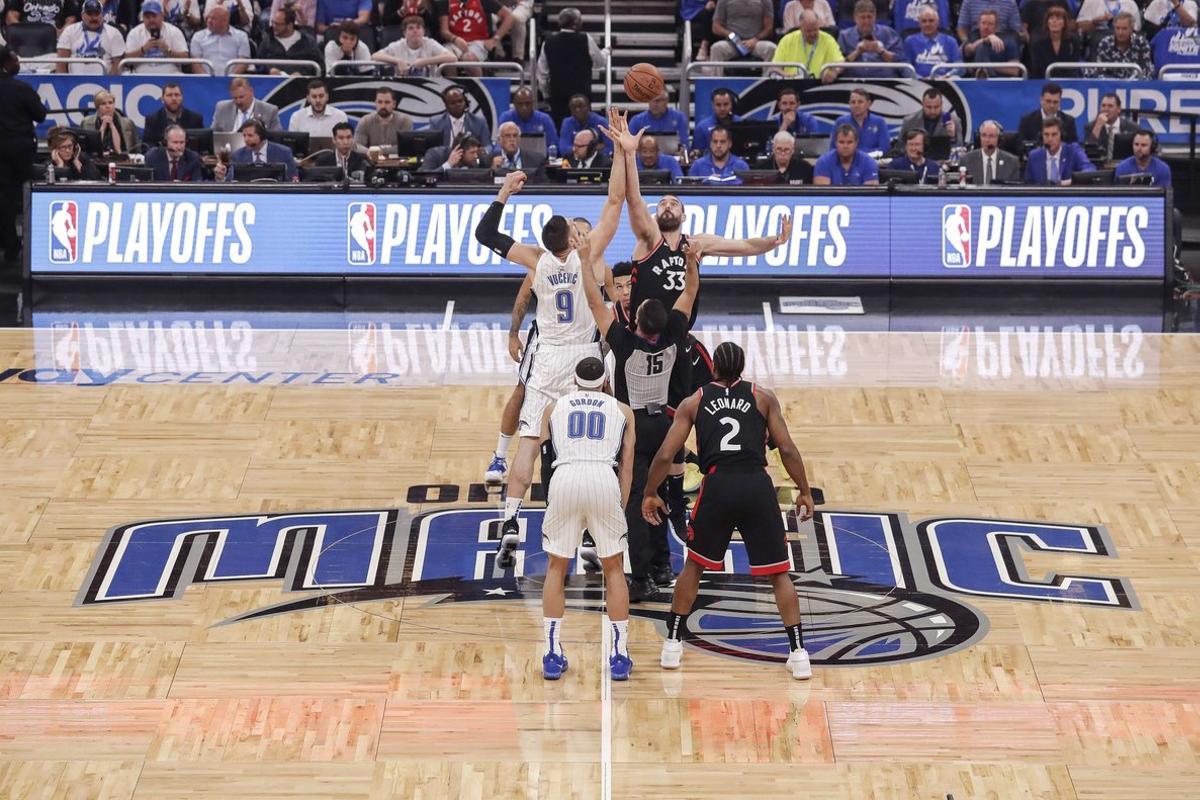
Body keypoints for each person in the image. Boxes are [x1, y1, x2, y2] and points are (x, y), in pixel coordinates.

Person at [610, 110, 791, 595]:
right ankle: (644, 508)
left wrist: (772, 242)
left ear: (684, 214)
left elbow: (741, 247)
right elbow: (630, 198)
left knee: (685, 421)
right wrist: (628, 155)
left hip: (680, 344)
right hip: (642, 346)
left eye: (674, 199)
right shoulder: (647, 238)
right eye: (662, 197)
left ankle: (685, 482)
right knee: (641, 434)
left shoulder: (697, 244)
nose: (666, 202)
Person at [473, 149, 624, 570]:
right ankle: (592, 537)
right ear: (573, 241)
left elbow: (486, 235)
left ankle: (510, 523)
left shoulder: (535, 260)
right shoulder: (588, 257)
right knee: (593, 448)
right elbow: (614, 203)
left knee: (531, 442)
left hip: (547, 359)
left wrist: (504, 191)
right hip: (584, 361)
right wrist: (621, 156)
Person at [642, 340, 816, 680]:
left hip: (718, 486)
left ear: (714, 368)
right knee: (779, 573)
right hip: (755, 485)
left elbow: (665, 455)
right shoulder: (763, 397)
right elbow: (788, 449)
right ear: (742, 367)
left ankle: (673, 645)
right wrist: (805, 490)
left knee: (693, 567)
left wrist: (650, 492)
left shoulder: (695, 401)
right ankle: (798, 654)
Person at [578, 206, 700, 606]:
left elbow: (596, 306)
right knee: (661, 492)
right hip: (666, 424)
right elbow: (688, 295)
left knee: (634, 501)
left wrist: (583, 260)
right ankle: (665, 565)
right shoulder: (672, 336)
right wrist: (691, 266)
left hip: (632, 427)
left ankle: (644, 573)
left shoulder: (625, 342)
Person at [536, 356, 636, 681]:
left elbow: (545, 459)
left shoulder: (553, 408)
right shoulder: (623, 411)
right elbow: (627, 464)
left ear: (574, 380)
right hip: (603, 477)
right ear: (605, 380)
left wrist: (552, 498)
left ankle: (552, 654)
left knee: (556, 567)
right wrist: (619, 504)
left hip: (564, 476)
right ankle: (619, 655)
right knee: (614, 568)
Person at [0, 46, 46, 271]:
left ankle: (9, 248)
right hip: (20, 151)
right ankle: (33, 246)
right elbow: (40, 114)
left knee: (4, 200)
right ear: (7, 62)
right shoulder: (21, 88)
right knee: (28, 196)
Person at [536, 8, 603, 124]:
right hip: (582, 95)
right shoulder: (585, 38)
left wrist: (546, 93)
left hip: (558, 95)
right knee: (583, 131)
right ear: (576, 23)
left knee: (560, 129)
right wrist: (606, 52)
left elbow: (542, 73)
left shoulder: (549, 41)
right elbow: (599, 62)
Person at [436, 0, 513, 76]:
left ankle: (479, 86)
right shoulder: (445, 2)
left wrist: (495, 39)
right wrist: (455, 39)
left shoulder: (483, 1)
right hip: (454, 41)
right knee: (447, 58)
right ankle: (452, 86)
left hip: (478, 42)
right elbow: (444, 31)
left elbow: (509, 16)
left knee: (469, 59)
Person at [834, 0, 904, 78]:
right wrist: (857, 52)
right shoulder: (844, 36)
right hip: (854, 83)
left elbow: (901, 63)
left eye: (869, 17)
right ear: (855, 18)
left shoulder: (889, 33)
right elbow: (838, 67)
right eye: (862, 17)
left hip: (885, 82)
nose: (866, 21)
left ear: (875, 17)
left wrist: (881, 51)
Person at [56, 0, 125, 74]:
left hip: (104, 82)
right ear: (82, 15)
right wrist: (64, 84)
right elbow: (61, 63)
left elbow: (117, 65)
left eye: (97, 13)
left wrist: (108, 83)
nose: (94, 17)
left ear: (102, 15)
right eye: (90, 13)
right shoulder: (69, 31)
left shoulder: (114, 33)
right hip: (74, 83)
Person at [372, 14, 455, 76]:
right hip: (403, 84)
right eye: (411, 28)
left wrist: (425, 61)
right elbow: (375, 56)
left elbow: (452, 57)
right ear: (404, 33)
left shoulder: (430, 43)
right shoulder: (398, 45)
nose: (415, 31)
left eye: (418, 27)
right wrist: (398, 61)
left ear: (424, 31)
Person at [218, 118, 298, 180]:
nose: (246, 139)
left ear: (262, 135)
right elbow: (230, 183)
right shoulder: (238, 156)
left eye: (250, 135)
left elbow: (293, 179)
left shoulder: (283, 153)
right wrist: (221, 178)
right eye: (244, 135)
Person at [708, 0, 776, 73]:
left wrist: (755, 39)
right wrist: (732, 36)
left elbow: (768, 28)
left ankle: (768, 82)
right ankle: (716, 83)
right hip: (732, 43)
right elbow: (715, 27)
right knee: (716, 48)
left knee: (771, 48)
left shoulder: (765, 1)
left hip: (756, 42)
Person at [123, 0, 188, 73]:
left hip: (170, 79)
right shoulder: (135, 33)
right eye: (147, 17)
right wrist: (143, 49)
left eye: (154, 16)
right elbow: (127, 61)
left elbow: (185, 59)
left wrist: (168, 50)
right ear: (143, 18)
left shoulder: (174, 31)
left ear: (162, 16)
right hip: (141, 79)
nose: (151, 20)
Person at [772, 10, 841, 78]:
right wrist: (786, 75)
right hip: (792, 82)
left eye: (815, 29)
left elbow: (840, 63)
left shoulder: (828, 40)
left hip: (820, 83)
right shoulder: (786, 40)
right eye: (808, 31)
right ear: (801, 28)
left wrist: (834, 72)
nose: (812, 34)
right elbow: (775, 68)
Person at [1025, 117, 1094, 185]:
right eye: (1046, 135)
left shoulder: (1073, 151)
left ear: (1061, 135)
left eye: (1054, 134)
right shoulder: (1034, 156)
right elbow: (1028, 185)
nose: (1050, 139)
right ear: (1041, 136)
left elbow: (1089, 171)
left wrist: (1068, 182)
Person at [256, 5, 324, 73]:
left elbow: (320, 66)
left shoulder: (308, 41)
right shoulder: (267, 41)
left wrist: (302, 74)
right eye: (273, 22)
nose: (274, 26)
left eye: (278, 24)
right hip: (273, 81)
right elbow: (258, 64)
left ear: (290, 25)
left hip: (301, 82)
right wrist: (269, 70)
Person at [903, 6, 962, 78]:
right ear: (919, 23)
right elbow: (905, 68)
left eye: (931, 21)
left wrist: (947, 76)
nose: (927, 24)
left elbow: (960, 67)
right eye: (924, 21)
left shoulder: (951, 41)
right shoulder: (910, 41)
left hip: (946, 82)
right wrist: (921, 79)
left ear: (938, 22)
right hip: (918, 83)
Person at [189, 5, 248, 74]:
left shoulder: (241, 36)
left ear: (225, 21)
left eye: (214, 19)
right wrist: (207, 79)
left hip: (232, 80)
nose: (209, 21)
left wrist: (229, 79)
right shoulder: (198, 37)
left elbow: (243, 63)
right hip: (205, 81)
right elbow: (196, 64)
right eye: (208, 18)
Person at [427, 84, 490, 149]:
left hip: (471, 158)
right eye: (453, 103)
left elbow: (487, 146)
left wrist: (483, 152)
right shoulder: (436, 122)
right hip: (445, 158)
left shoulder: (479, 122)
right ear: (446, 106)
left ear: (465, 102)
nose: (458, 105)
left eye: (460, 101)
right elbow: (432, 149)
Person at [813, 123, 880, 185]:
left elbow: (870, 195)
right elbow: (823, 195)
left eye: (849, 142)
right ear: (835, 143)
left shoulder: (868, 163)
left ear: (856, 143)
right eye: (841, 142)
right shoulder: (824, 162)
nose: (845, 146)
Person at [961, 8, 1022, 76]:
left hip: (1001, 81)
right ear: (978, 24)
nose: (986, 27)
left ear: (996, 27)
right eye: (983, 23)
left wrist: (988, 65)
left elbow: (1015, 70)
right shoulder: (973, 36)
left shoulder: (1008, 40)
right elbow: (968, 51)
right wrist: (984, 40)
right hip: (974, 81)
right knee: (981, 47)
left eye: (990, 24)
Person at [828, 87, 889, 154]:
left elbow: (884, 149)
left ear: (868, 104)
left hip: (873, 162)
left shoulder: (879, 122)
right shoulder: (840, 121)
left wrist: (859, 154)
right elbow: (833, 148)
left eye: (860, 102)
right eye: (853, 102)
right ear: (849, 104)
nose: (856, 105)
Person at [1091, 13, 1154, 77]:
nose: (1120, 32)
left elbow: (1146, 70)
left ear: (1132, 29)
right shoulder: (1105, 43)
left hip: (1135, 84)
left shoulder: (1142, 43)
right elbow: (1100, 71)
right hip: (1111, 84)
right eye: (1117, 28)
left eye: (1124, 29)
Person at [1018, 82, 1079, 147]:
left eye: (1055, 102)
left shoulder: (1069, 121)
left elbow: (1074, 149)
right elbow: (1020, 147)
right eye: (1048, 101)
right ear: (1041, 100)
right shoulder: (1027, 121)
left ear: (1060, 101)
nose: (1052, 105)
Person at [353, 86, 413, 153]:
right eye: (380, 102)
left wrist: (380, 151)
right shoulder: (365, 121)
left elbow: (406, 146)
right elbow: (357, 146)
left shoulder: (404, 121)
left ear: (394, 104)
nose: (383, 106)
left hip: (398, 162)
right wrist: (370, 152)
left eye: (387, 102)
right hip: (371, 162)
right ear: (375, 103)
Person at [142, 82, 202, 147]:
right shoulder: (152, 119)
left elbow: (202, 143)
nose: (173, 98)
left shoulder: (195, 118)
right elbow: (147, 145)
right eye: (169, 95)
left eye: (177, 95)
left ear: (182, 97)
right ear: (162, 99)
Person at [1027, 7, 1081, 79]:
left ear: (1064, 23)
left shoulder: (1073, 42)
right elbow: (1037, 69)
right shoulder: (1038, 43)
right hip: (1043, 81)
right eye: (1051, 18)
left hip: (1068, 82)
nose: (1054, 21)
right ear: (1047, 23)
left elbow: (1074, 67)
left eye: (1058, 18)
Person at [1085, 92, 1141, 162]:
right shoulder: (1091, 127)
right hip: (1100, 168)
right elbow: (1089, 152)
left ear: (1119, 109)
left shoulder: (1133, 128)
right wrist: (1098, 126)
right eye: (1103, 106)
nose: (1106, 109)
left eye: (1110, 106)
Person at [498, 87, 557, 151]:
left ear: (532, 103)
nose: (524, 107)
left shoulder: (545, 119)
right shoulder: (506, 118)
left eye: (527, 103)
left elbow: (554, 145)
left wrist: (539, 154)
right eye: (520, 104)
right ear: (514, 104)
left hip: (539, 158)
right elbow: (498, 145)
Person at [80, 89, 138, 155]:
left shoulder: (128, 123)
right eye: (103, 104)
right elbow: (90, 149)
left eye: (110, 103)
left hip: (123, 161)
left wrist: (112, 125)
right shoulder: (86, 122)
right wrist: (103, 126)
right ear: (97, 107)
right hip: (96, 161)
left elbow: (132, 150)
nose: (108, 106)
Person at [213, 77, 281, 132]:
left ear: (251, 91)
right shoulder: (222, 108)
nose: (238, 101)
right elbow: (213, 135)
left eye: (241, 97)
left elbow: (276, 138)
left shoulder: (269, 111)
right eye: (235, 98)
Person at [963, 119, 1020, 184]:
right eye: (984, 135)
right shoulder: (966, 160)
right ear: (979, 137)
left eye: (991, 136)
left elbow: (1013, 191)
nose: (987, 140)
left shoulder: (1012, 162)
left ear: (999, 138)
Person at [691, 87, 741, 158]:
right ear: (713, 106)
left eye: (726, 104)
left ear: (731, 105)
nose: (722, 108)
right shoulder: (702, 127)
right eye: (718, 105)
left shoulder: (741, 123)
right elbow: (696, 154)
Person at [419, 133, 488, 171]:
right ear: (460, 152)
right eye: (472, 152)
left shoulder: (474, 163)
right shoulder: (434, 154)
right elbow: (425, 176)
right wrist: (448, 164)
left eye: (476, 152)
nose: (476, 156)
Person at [1076, 0, 1141, 36]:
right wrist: (1094, 22)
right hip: (1098, 35)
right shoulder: (1091, 1)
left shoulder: (1130, 3)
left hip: (1125, 37)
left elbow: (1136, 28)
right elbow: (1079, 27)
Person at [4, 0, 77, 30]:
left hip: (54, 38)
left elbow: (71, 19)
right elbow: (11, 16)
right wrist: (21, 31)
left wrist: (62, 33)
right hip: (24, 35)